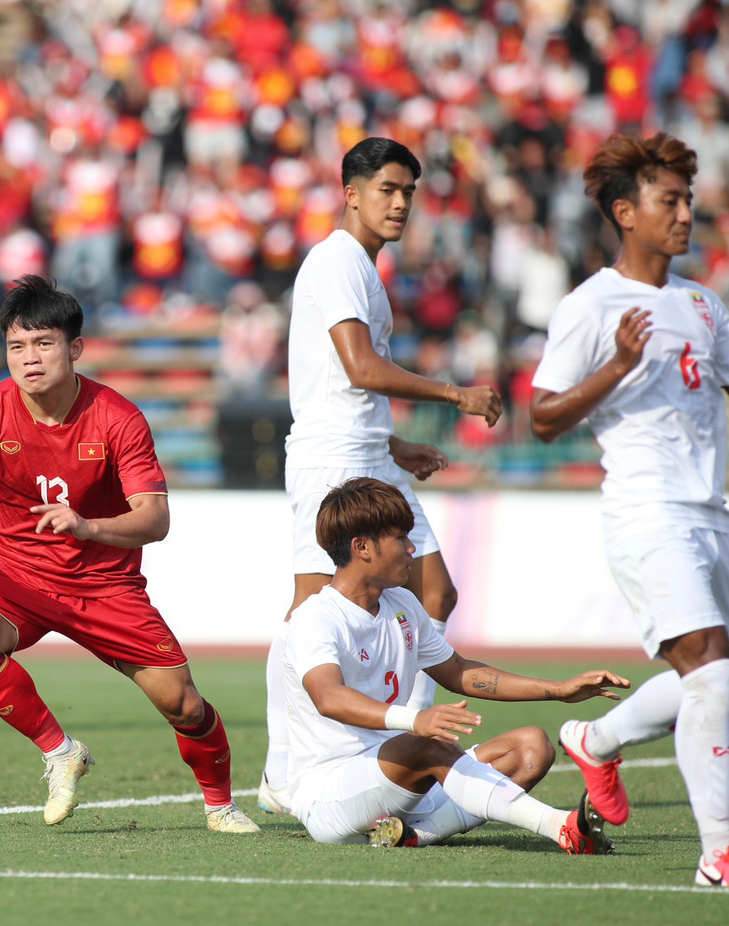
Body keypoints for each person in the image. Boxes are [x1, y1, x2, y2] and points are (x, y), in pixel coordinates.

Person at [0, 274, 259, 833]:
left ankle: (220, 805)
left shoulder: (117, 417)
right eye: (17, 346)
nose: (29, 358)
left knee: (183, 704)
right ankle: (60, 750)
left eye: (43, 343)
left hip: (105, 585)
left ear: (74, 348)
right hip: (18, 573)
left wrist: (88, 525)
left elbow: (155, 519)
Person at [259, 137, 505, 816]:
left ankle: (399, 751)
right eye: (387, 190)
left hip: (366, 451)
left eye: (408, 192)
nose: (399, 203)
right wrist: (456, 395)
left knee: (435, 592)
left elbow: (347, 385)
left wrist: (395, 445)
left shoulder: (363, 267)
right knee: (311, 612)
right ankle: (286, 769)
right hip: (332, 459)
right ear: (352, 193)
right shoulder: (337, 260)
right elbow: (361, 368)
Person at [530, 131, 729, 887]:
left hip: (713, 512)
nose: (685, 213)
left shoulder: (704, 305)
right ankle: (719, 854)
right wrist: (616, 363)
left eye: (687, 199)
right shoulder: (593, 305)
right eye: (668, 200)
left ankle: (598, 739)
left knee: (714, 677)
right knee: (713, 678)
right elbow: (544, 418)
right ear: (626, 212)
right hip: (649, 514)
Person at [282, 476, 629, 852]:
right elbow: (328, 698)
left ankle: (416, 836)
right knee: (428, 744)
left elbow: (458, 671)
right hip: (331, 795)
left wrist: (557, 690)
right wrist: (415, 721)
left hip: (404, 781)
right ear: (361, 547)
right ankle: (559, 825)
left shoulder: (402, 604)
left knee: (532, 749)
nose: (412, 548)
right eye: (400, 537)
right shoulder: (316, 618)